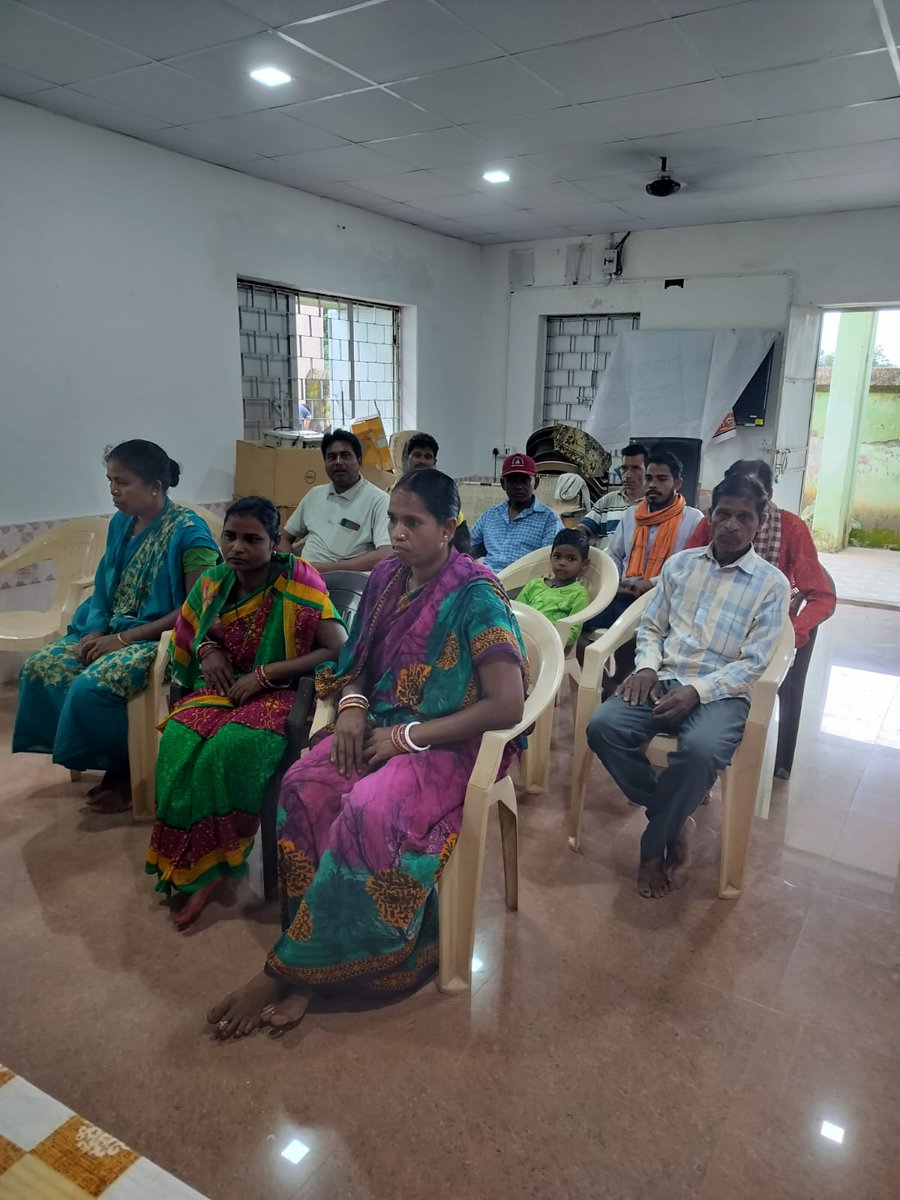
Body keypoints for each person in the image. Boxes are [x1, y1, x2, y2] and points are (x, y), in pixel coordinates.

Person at [207, 468, 527, 1039]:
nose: (399, 533)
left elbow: (507, 705)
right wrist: (352, 707)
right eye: (393, 521)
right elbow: (351, 664)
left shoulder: (478, 594)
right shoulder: (384, 578)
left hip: (450, 743)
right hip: (380, 723)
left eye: (414, 522)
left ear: (448, 528)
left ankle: (298, 973)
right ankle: (311, 951)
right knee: (304, 785)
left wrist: (408, 739)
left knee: (369, 810)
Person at [145, 498, 347, 930]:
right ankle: (189, 861)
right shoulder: (214, 582)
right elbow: (189, 630)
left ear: (275, 542)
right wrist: (207, 648)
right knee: (179, 738)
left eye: (252, 539)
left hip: (283, 693)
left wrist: (267, 673)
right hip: (224, 688)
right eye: (230, 536)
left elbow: (336, 645)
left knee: (228, 749)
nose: (237, 547)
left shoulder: (298, 578)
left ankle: (214, 866)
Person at [586, 474, 789, 899]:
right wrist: (644, 668)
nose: (732, 525)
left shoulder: (771, 584)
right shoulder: (680, 565)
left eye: (744, 517)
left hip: (723, 692)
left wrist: (698, 692)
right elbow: (651, 627)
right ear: (711, 516)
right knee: (603, 726)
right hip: (663, 678)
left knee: (699, 752)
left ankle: (651, 845)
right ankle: (675, 821)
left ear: (760, 522)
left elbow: (753, 663)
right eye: (724, 514)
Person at [13, 441, 219, 812]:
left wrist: (124, 639)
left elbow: (196, 610)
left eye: (122, 482)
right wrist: (94, 631)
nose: (113, 490)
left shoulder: (191, 534)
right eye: (110, 480)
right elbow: (105, 587)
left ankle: (126, 770)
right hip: (113, 629)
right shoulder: (121, 524)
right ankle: (97, 755)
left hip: (159, 638)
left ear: (154, 486)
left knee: (91, 687)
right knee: (42, 668)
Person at [686, 458, 835, 779]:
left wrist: (790, 636)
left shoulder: (791, 527)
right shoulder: (714, 521)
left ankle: (710, 753)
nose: (734, 516)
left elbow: (821, 596)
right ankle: (696, 753)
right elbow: (686, 568)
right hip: (709, 625)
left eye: (752, 494)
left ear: (766, 496)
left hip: (764, 628)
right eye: (733, 494)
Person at [585, 447, 704, 635]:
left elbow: (690, 569)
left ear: (678, 483)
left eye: (662, 479)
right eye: (649, 478)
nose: (652, 485)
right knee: (579, 623)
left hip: (665, 601)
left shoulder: (693, 519)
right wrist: (616, 583)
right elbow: (614, 554)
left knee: (636, 640)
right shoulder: (631, 514)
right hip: (623, 596)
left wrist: (651, 584)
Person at [280, 430, 391, 574]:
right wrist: (290, 565)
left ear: (359, 461)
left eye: (345, 456)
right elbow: (285, 537)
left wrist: (325, 569)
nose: (338, 462)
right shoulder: (314, 495)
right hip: (304, 581)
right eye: (331, 457)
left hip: (350, 585)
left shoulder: (379, 500)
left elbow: (385, 554)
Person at [470, 453, 563, 574]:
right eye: (513, 481)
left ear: (537, 482)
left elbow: (548, 563)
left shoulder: (549, 519)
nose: (519, 486)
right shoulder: (492, 514)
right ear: (503, 484)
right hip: (486, 579)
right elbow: (467, 544)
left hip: (521, 583)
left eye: (525, 481)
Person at [517, 529, 590, 648]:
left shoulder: (579, 594)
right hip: (521, 636)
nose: (562, 563)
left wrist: (551, 638)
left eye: (571, 559)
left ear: (584, 564)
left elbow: (573, 631)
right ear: (551, 558)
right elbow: (516, 613)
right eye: (557, 556)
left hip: (550, 644)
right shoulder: (534, 585)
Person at [402, 431, 471, 553]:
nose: (422, 461)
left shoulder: (445, 492)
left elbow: (459, 540)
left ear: (434, 462)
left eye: (428, 456)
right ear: (408, 459)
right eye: (417, 455)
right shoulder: (397, 491)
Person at [578, 443, 648, 550]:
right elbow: (585, 528)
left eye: (635, 468)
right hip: (605, 563)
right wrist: (574, 537)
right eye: (624, 468)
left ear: (648, 471)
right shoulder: (608, 500)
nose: (627, 475)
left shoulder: (653, 504)